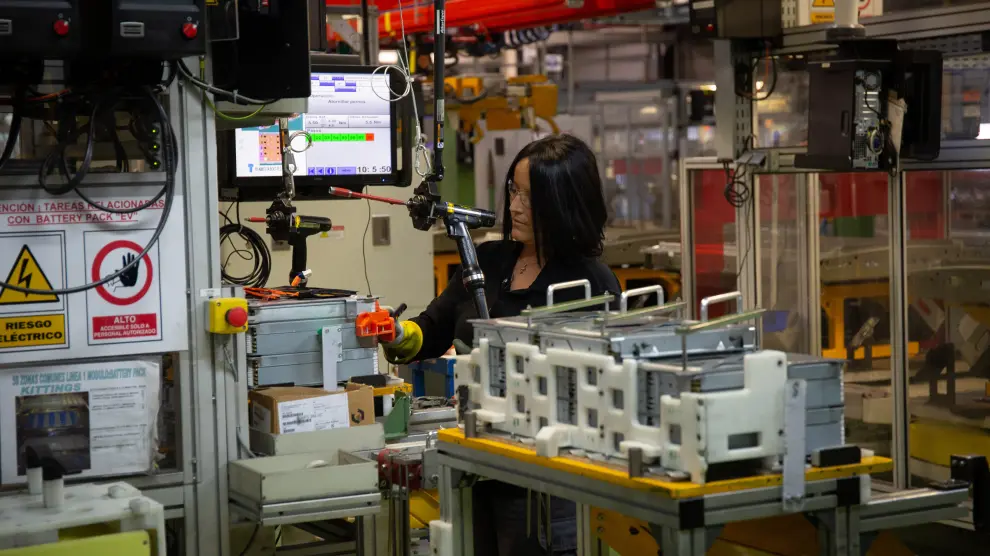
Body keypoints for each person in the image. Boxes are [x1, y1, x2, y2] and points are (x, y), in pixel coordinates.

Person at [384, 134, 620, 555]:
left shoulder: (589, 282)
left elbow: (597, 387)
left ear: (564, 202)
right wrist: (398, 334)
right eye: (514, 190)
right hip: (479, 461)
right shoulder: (490, 260)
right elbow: (434, 326)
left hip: (546, 477)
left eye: (530, 197)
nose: (515, 206)